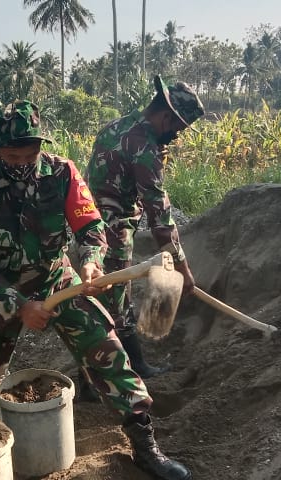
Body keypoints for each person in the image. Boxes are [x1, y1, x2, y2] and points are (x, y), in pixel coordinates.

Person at [0, 101, 191, 480]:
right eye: (12, 154)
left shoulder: (61, 172)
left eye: (30, 152)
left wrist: (90, 259)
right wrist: (20, 306)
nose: (23, 161)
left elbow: (90, 225)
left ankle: (144, 445)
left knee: (107, 350)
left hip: (57, 280)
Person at [85, 75, 204, 379]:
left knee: (97, 299)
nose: (176, 136)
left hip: (87, 225)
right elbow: (160, 216)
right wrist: (182, 268)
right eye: (177, 129)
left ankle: (92, 375)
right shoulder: (145, 147)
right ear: (166, 117)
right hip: (111, 230)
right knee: (116, 300)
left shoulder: (118, 126)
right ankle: (132, 368)